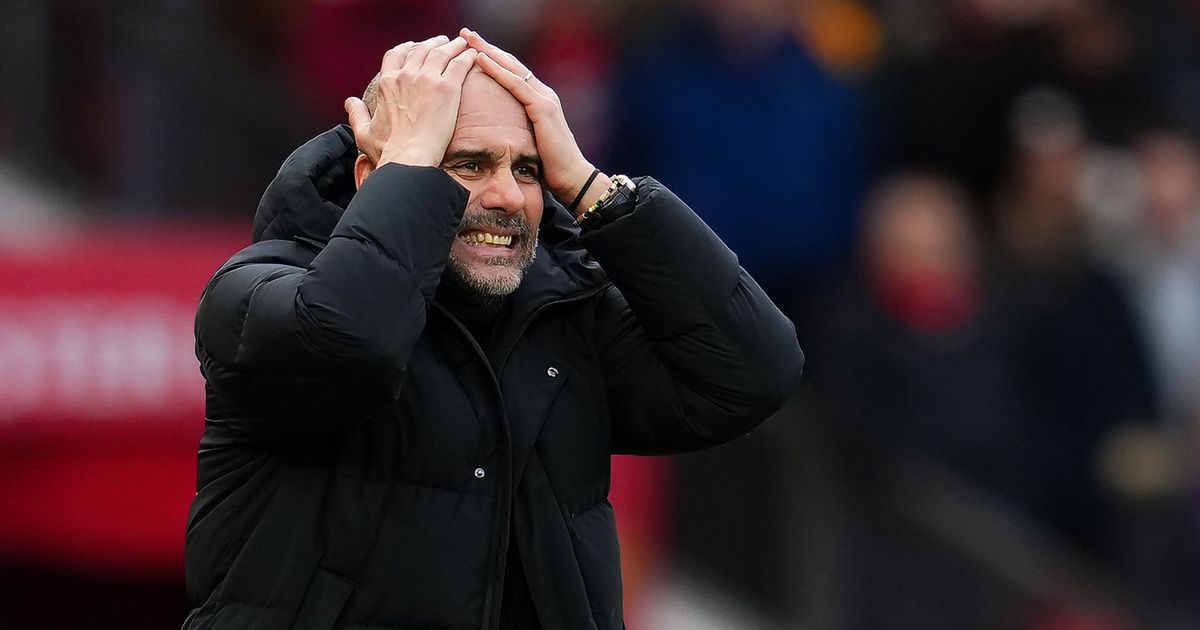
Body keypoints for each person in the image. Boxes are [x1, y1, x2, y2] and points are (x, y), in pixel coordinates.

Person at [182, 29, 803, 630]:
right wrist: (409, 171)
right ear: (379, 176)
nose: (507, 194)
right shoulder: (253, 290)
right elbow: (352, 340)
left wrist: (590, 187)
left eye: (529, 170)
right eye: (469, 165)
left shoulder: (565, 315)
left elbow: (753, 372)